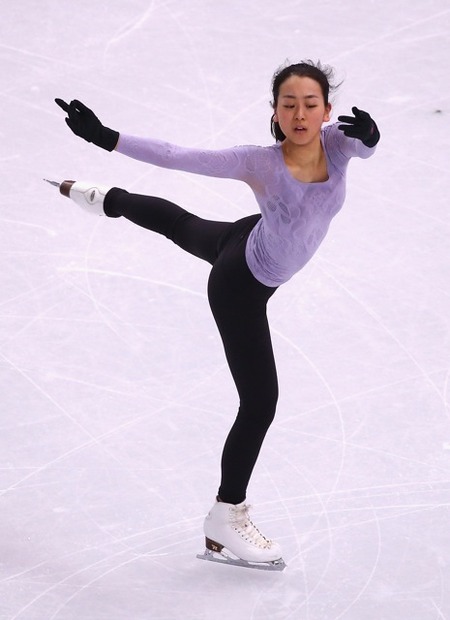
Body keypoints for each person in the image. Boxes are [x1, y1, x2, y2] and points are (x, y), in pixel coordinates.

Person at [53, 60, 379, 570]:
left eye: (310, 104)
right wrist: (106, 137)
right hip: (241, 285)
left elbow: (364, 145)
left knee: (183, 225)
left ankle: (103, 198)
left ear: (327, 111)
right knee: (261, 401)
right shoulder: (260, 163)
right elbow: (180, 157)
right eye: (288, 103)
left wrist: (373, 135)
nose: (299, 113)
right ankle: (226, 520)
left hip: (248, 237)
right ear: (274, 111)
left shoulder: (339, 143)